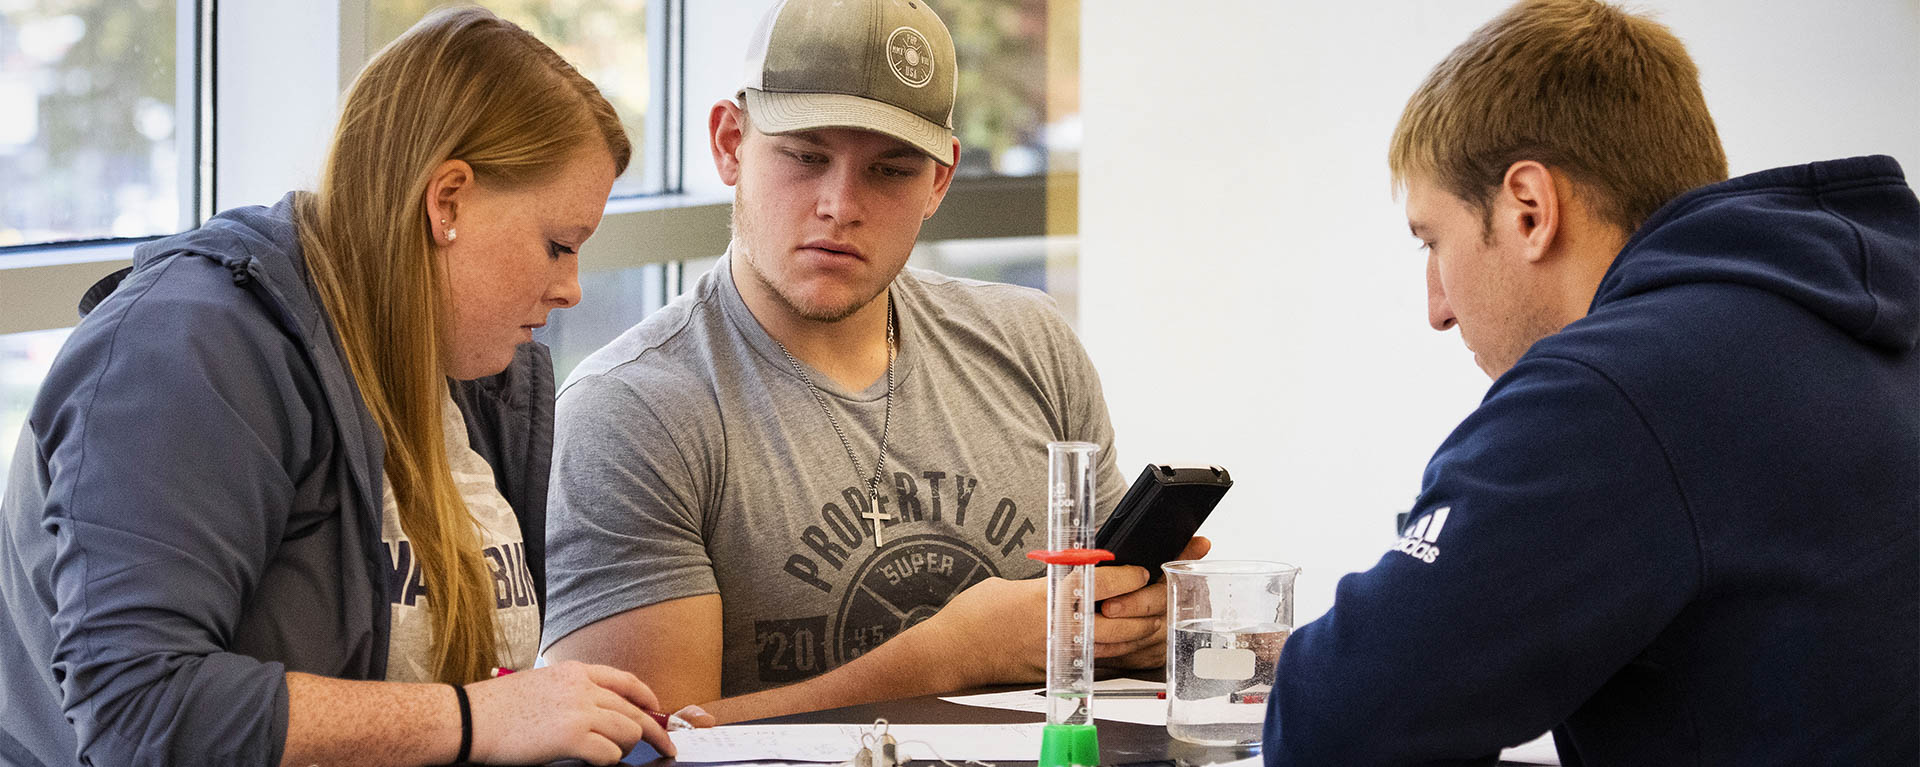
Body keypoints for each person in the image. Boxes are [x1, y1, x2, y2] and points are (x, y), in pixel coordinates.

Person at [0, 8, 687, 766]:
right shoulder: (188, 351)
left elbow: (486, 697)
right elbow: (139, 709)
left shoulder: (477, 368)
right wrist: (472, 717)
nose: (573, 289)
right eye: (559, 245)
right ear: (447, 199)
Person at [1261, 0, 1918, 764]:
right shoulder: (1854, 325)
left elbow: (1333, 723)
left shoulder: (1621, 393)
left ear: (1531, 209)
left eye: (1432, 243)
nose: (1437, 309)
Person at [540, 0, 1205, 723]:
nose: (840, 204)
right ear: (731, 144)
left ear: (939, 182)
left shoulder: (1031, 345)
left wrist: (1148, 627)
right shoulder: (633, 408)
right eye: (805, 156)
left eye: (889, 171)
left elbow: (1109, 646)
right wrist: (949, 657)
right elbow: (649, 740)